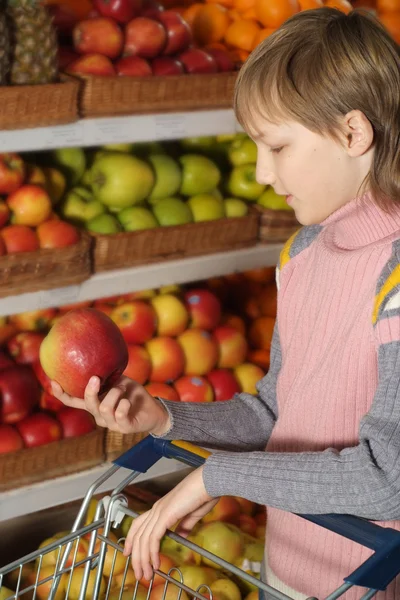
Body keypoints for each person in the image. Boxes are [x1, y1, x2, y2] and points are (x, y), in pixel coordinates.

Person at [52, 7, 400, 599]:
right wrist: (164, 418)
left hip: (368, 584)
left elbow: (387, 477)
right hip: (283, 570)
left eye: (278, 146)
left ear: (353, 133)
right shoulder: (302, 256)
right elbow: (274, 416)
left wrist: (218, 477)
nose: (263, 172)